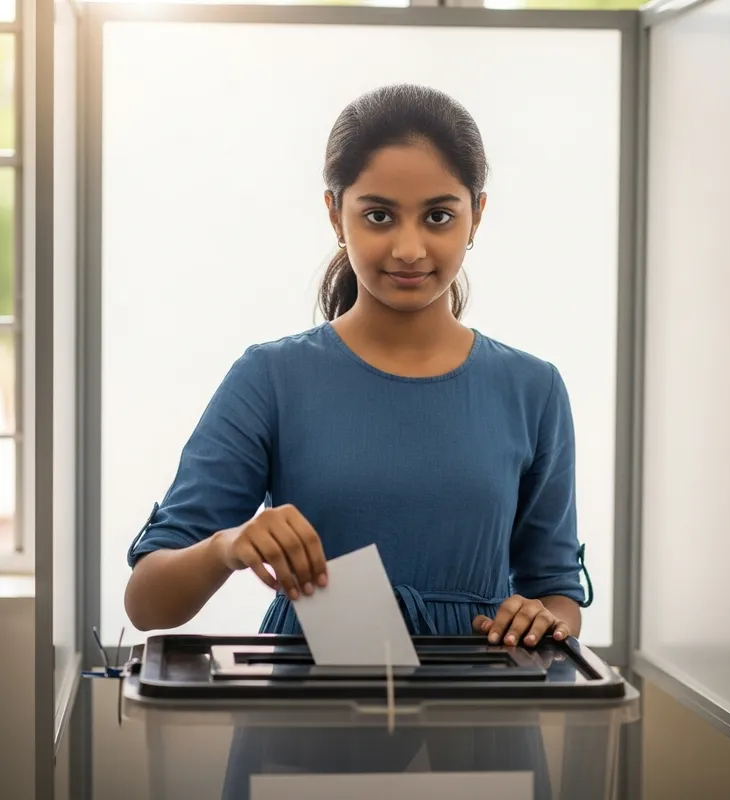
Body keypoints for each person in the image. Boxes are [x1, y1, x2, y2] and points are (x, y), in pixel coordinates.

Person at [124, 83, 591, 798]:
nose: (409, 247)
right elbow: (148, 604)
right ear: (335, 214)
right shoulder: (271, 378)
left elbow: (557, 595)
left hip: (482, 733)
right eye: (378, 215)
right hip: (304, 729)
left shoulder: (534, 389)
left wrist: (541, 617)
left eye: (439, 215)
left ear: (477, 216)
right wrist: (229, 545)